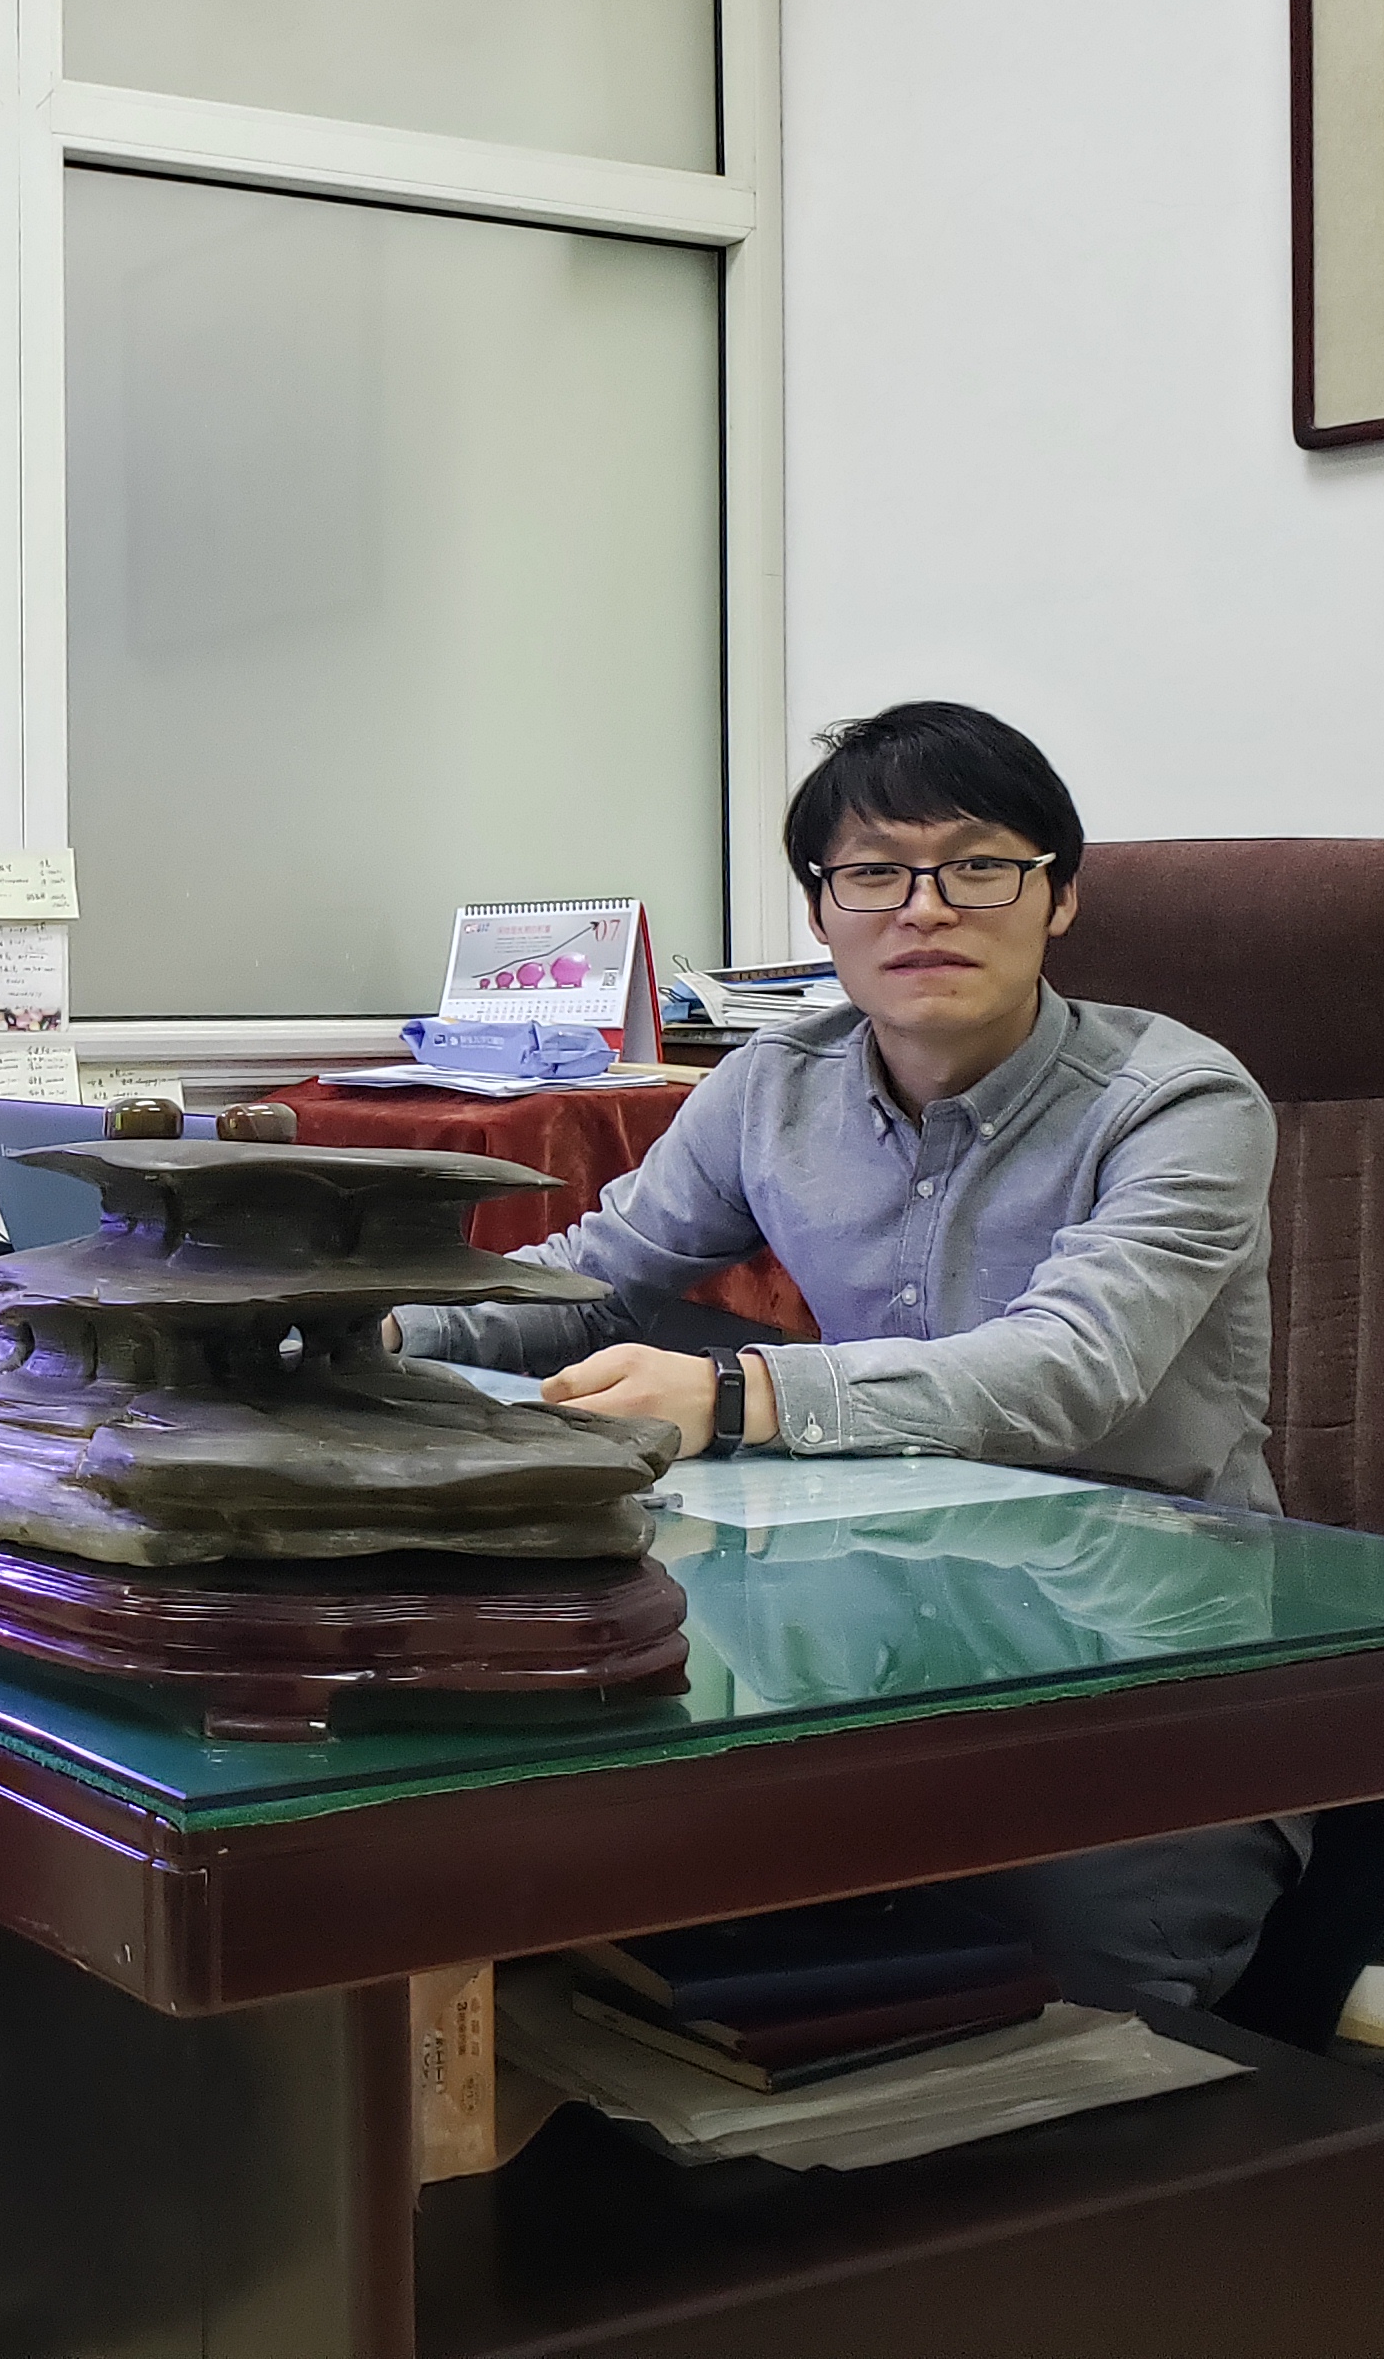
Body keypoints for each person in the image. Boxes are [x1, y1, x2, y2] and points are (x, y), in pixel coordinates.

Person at [392, 700, 1298, 2008]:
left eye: (980, 867)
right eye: (875, 873)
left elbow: (1069, 1370)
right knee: (583, 1869)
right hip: (877, 1619)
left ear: (1061, 899)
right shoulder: (774, 1085)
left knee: (1079, 1978)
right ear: (823, 913)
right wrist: (364, 1326)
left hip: (1145, 1654)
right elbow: (594, 1284)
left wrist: (735, 1393)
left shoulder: (1178, 1102)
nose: (925, 908)